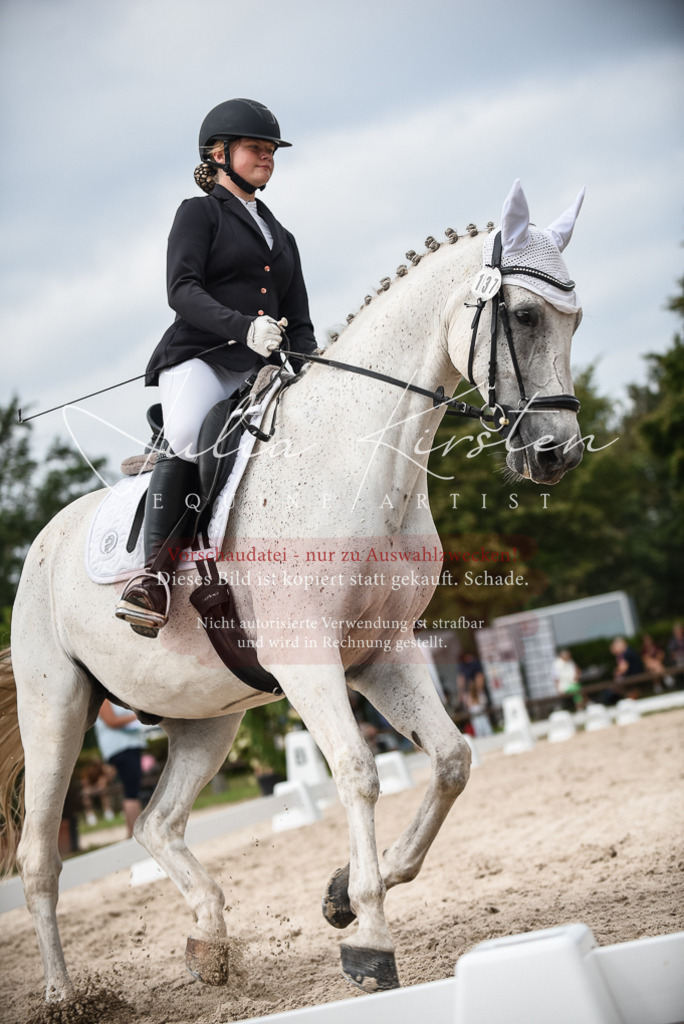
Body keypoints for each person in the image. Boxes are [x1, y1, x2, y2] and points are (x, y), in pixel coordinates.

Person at [116, 98, 317, 636]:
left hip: (261, 370)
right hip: (202, 358)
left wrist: (308, 362)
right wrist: (241, 326)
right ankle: (154, 577)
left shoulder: (282, 236)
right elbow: (180, 290)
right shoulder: (198, 212)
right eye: (257, 148)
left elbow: (298, 319)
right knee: (188, 433)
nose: (267, 157)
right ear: (219, 153)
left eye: (272, 150)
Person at [93, 700, 149, 837]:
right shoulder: (104, 699)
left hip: (130, 745)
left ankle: (134, 830)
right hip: (120, 748)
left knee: (133, 789)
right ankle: (134, 831)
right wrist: (140, 716)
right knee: (131, 790)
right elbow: (111, 721)